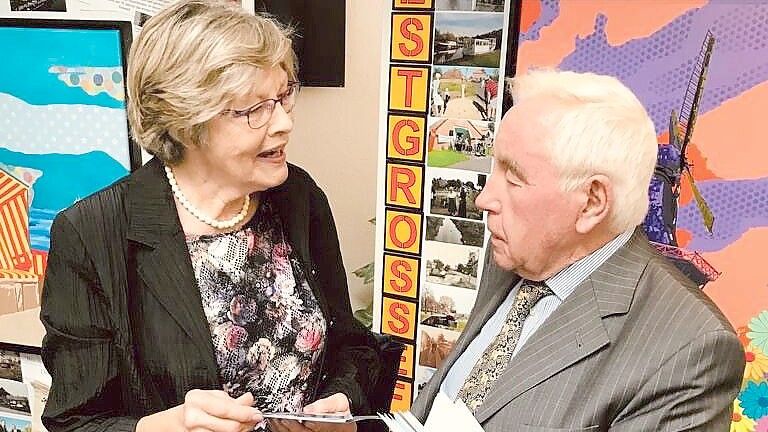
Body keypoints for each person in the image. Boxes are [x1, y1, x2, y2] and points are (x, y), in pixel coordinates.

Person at [39, 1, 381, 431]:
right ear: (185, 121)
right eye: (253, 109)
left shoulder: (297, 196)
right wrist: (167, 427)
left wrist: (341, 398)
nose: (283, 124)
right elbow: (74, 422)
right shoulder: (93, 233)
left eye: (282, 97)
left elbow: (349, 343)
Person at [411, 69, 744, 430]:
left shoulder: (690, 351)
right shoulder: (513, 254)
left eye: (513, 177)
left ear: (591, 203)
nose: (484, 198)